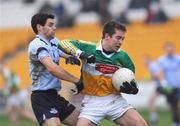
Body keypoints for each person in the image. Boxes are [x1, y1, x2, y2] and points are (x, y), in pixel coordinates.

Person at [59, 20, 148, 126]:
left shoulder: (124, 57)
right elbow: (62, 43)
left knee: (141, 124)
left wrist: (131, 88)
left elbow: (129, 77)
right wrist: (81, 54)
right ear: (107, 36)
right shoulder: (89, 48)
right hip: (92, 102)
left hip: (115, 100)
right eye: (118, 38)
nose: (121, 42)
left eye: (123, 39)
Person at [28, 13, 90, 126]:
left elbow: (60, 51)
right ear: (39, 27)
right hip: (41, 98)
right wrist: (77, 81)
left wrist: (70, 57)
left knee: (87, 124)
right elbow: (52, 69)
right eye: (50, 25)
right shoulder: (36, 45)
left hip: (55, 96)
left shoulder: (54, 41)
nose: (54, 28)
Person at [157, 42, 180, 126]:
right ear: (165, 50)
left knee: (177, 104)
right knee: (173, 105)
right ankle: (176, 122)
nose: (170, 50)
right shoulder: (162, 60)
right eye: (168, 49)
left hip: (178, 86)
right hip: (169, 87)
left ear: (173, 49)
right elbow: (160, 72)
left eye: (171, 48)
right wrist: (163, 83)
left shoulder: (178, 58)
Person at [143, 54, 164, 124]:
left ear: (148, 59)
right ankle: (153, 117)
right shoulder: (151, 65)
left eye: (145, 59)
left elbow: (159, 74)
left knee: (150, 100)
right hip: (160, 86)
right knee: (151, 100)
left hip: (163, 86)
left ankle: (153, 118)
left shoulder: (152, 65)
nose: (144, 61)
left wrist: (150, 77)